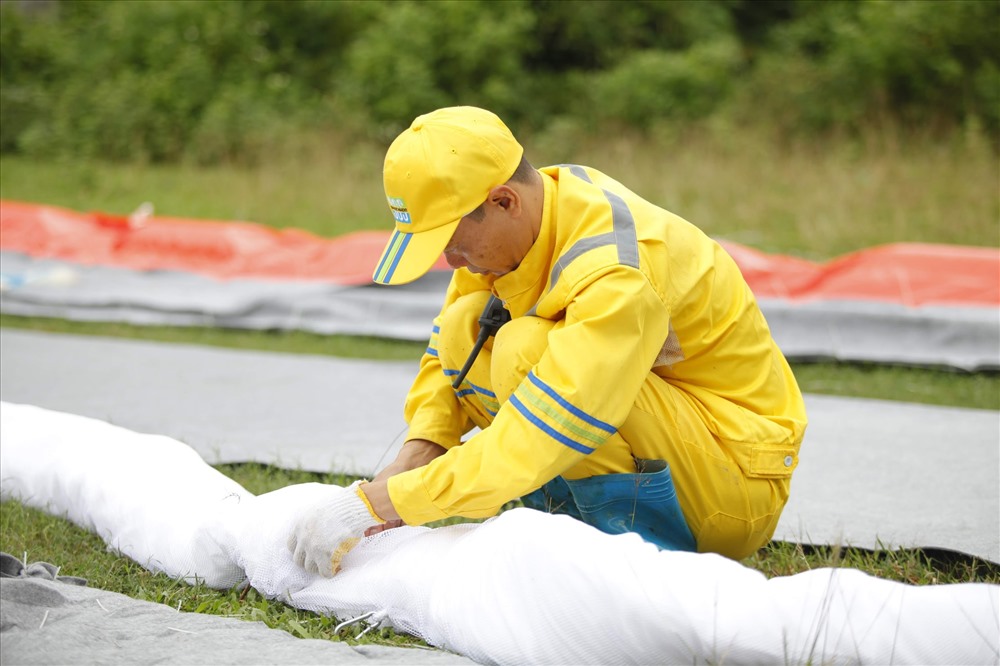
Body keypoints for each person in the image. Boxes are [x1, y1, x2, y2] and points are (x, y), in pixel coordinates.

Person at [288, 106, 808, 577]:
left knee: (525, 350)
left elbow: (547, 428)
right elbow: (448, 359)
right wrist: (409, 461)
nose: (450, 261)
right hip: (671, 445)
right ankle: (572, 536)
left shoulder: (615, 270)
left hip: (733, 484)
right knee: (466, 323)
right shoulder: (524, 224)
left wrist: (390, 502)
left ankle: (635, 563)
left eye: (450, 241)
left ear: (504, 200)